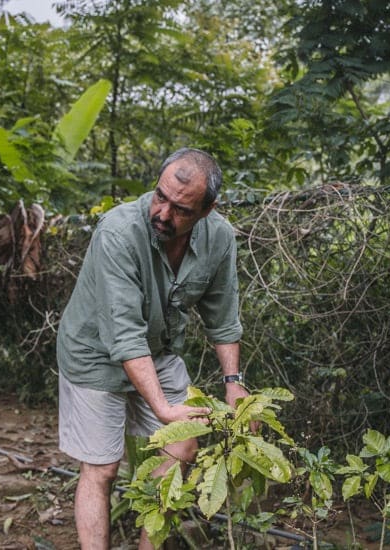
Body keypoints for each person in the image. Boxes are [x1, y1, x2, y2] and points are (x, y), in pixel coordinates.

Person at [56, 148, 248, 550]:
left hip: (157, 352)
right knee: (102, 467)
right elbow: (124, 334)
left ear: (208, 208)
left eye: (180, 209)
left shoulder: (220, 238)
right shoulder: (118, 232)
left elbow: (223, 316)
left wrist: (234, 383)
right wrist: (162, 407)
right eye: (160, 196)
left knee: (184, 443)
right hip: (93, 354)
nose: (162, 213)